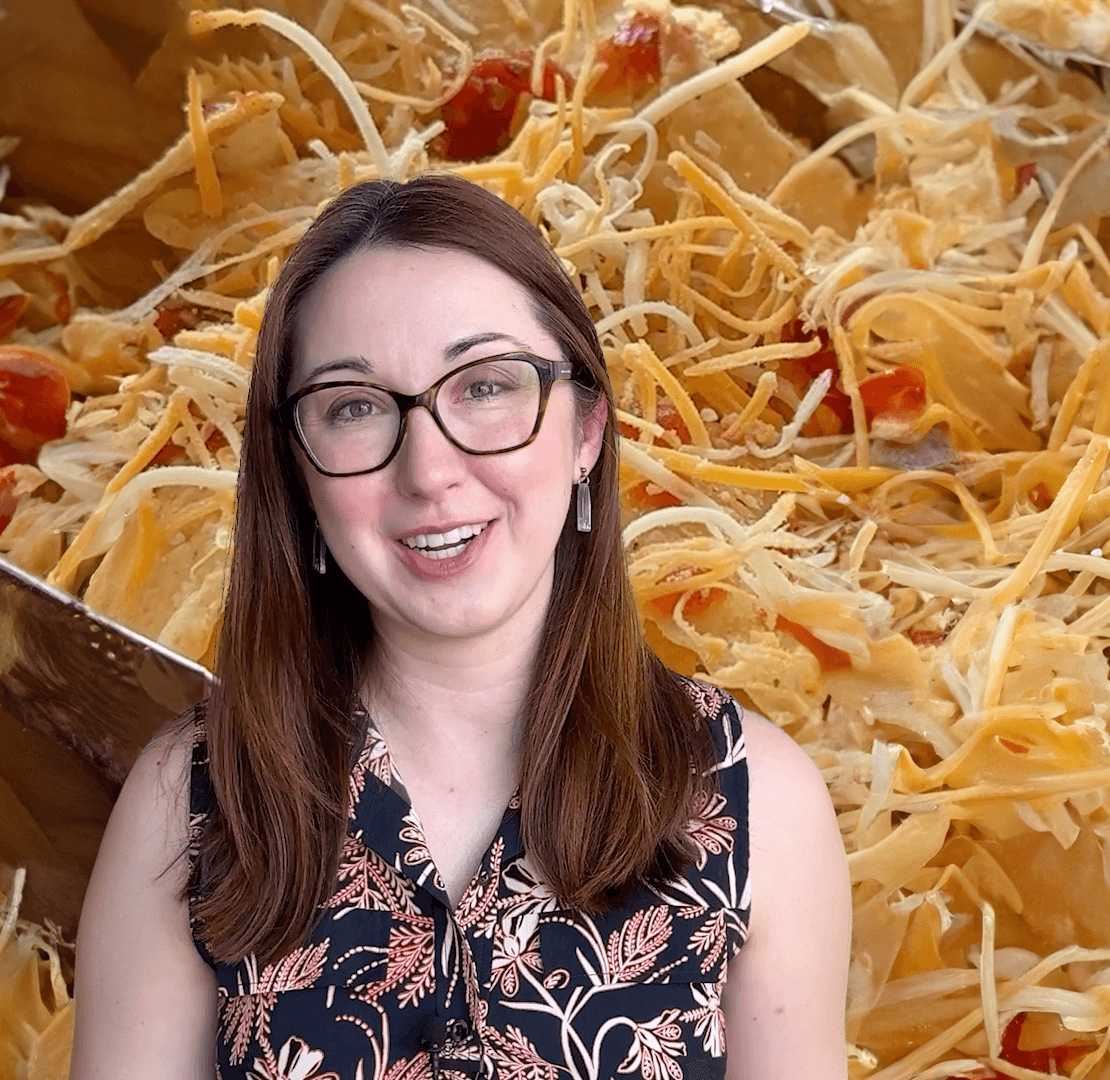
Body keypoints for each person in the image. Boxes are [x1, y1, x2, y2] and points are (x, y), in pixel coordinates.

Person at [72, 173, 850, 1079]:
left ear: (587, 431)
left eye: (485, 387)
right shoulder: (192, 802)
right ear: (298, 474)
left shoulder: (758, 800)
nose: (430, 470)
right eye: (354, 407)